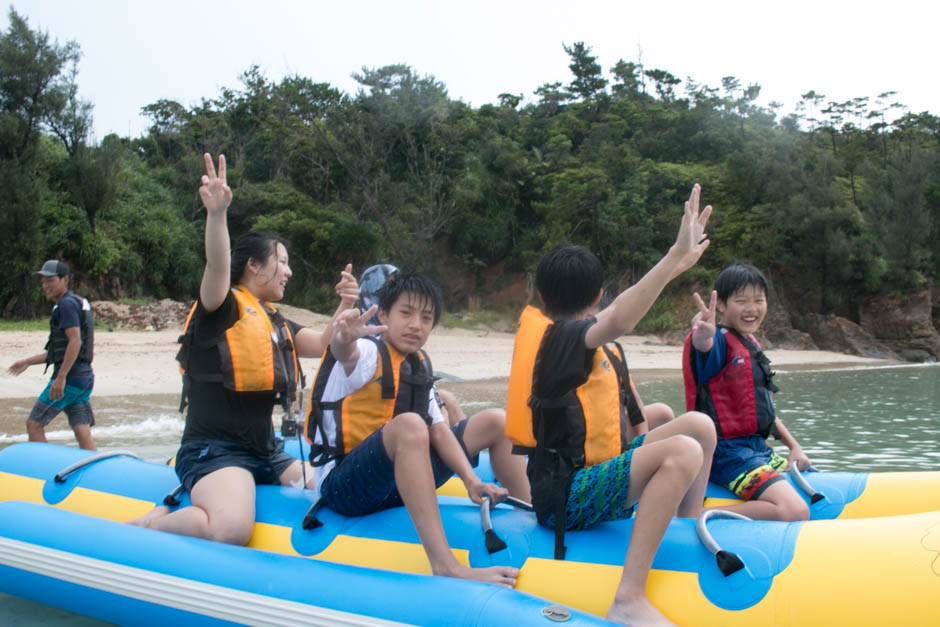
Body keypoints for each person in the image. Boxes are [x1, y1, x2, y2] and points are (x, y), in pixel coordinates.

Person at [128, 153, 359, 544]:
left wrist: (346, 305)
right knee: (231, 529)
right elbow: (218, 265)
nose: (288, 271)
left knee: (328, 486)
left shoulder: (274, 321)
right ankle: (156, 522)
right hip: (213, 451)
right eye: (281, 262)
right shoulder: (222, 307)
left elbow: (323, 345)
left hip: (268, 451)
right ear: (253, 265)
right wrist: (217, 214)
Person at [517, 184, 717, 626]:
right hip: (564, 497)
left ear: (543, 297)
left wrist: (675, 265)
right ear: (599, 295)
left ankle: (683, 528)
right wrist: (670, 259)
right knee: (684, 450)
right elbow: (621, 319)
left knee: (699, 426)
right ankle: (628, 596)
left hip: (595, 471)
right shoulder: (560, 339)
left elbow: (631, 426)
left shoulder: (593, 347)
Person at [304, 272, 530, 587]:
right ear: (383, 314)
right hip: (345, 486)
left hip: (391, 483)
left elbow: (439, 432)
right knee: (411, 426)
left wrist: (472, 480)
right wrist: (344, 336)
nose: (416, 325)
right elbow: (346, 353)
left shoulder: (417, 364)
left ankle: (530, 519)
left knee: (495, 420)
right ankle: (446, 565)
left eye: (426, 318)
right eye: (406, 313)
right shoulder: (369, 352)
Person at [683, 263, 810, 522]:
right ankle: (696, 516)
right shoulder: (718, 342)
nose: (752, 309)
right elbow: (704, 346)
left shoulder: (749, 343)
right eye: (741, 301)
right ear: (721, 306)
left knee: (809, 484)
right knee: (795, 510)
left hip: (756, 449)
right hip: (725, 454)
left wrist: (794, 447)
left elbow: (763, 412)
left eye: (759, 300)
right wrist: (703, 335)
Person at [357, 262, 465, 426]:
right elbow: (342, 349)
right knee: (440, 407)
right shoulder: (362, 346)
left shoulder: (406, 345)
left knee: (446, 400)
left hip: (408, 423)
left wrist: (437, 402)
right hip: (385, 437)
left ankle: (463, 449)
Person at [7, 260, 97, 450]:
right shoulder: (75, 302)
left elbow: (75, 341)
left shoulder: (66, 305)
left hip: (70, 378)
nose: (45, 285)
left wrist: (61, 377)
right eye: (43, 281)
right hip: (83, 378)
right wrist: (27, 362)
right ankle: (94, 468)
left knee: (34, 424)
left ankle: (42, 468)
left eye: (51, 280)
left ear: (65, 280)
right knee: (81, 429)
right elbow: (59, 351)